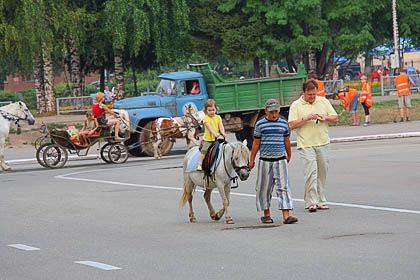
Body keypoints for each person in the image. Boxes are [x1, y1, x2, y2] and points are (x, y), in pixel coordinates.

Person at [288, 80, 338, 212]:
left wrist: (325, 118)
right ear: (304, 93)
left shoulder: (323, 101)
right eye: (309, 95)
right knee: (311, 173)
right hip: (306, 144)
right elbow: (291, 125)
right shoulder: (296, 105)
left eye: (314, 94)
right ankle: (311, 202)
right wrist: (305, 119)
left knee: (322, 173)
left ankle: (321, 200)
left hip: (323, 142)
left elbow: (335, 118)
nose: (312, 97)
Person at [248, 99, 298, 225]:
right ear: (266, 111)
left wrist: (289, 154)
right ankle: (267, 214)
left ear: (279, 111)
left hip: (280, 159)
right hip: (265, 160)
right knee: (264, 188)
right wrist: (251, 159)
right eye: (271, 112)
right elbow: (256, 143)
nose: (274, 114)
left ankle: (286, 215)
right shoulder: (260, 125)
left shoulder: (283, 124)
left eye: (276, 111)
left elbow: (287, 140)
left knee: (283, 187)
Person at [196, 99, 225, 171]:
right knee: (204, 150)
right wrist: (216, 135)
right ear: (206, 111)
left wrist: (223, 133)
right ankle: (200, 163)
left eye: (213, 110)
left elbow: (221, 126)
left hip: (217, 137)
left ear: (216, 109)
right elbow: (210, 129)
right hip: (208, 139)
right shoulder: (206, 118)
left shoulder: (218, 117)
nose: (212, 112)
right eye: (209, 110)